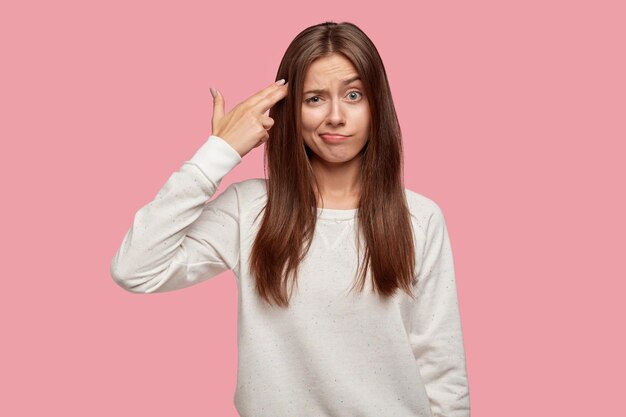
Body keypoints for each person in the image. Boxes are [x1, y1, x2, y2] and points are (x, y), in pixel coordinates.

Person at [110, 21, 470, 417]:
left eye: (353, 95)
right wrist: (219, 152)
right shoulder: (249, 210)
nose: (335, 116)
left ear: (376, 105)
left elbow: (442, 370)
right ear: (289, 109)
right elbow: (136, 269)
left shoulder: (420, 217)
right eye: (314, 99)